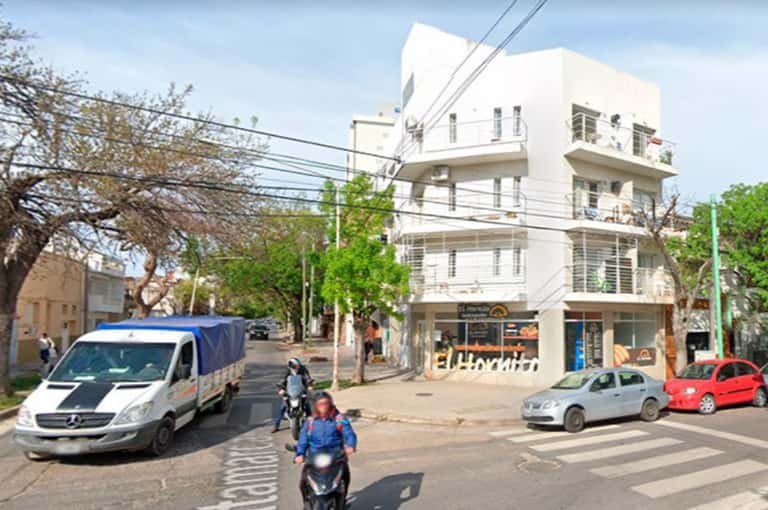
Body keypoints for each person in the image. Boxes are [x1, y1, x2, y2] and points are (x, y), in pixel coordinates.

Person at [294, 391, 357, 502]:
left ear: (330, 403)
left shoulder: (339, 419)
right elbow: (303, 440)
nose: (324, 406)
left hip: (335, 455)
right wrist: (300, 454)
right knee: (302, 481)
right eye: (320, 404)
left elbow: (349, 434)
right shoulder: (310, 422)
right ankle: (307, 501)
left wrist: (350, 445)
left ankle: (343, 498)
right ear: (315, 406)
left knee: (345, 475)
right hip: (314, 456)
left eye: (326, 403)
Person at [272, 357, 313, 433]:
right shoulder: (287, 371)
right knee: (282, 408)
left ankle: (311, 425)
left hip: (301, 390)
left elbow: (307, 378)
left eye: (297, 365)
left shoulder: (303, 369)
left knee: (307, 405)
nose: (297, 367)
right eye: (295, 366)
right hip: (290, 392)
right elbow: (283, 380)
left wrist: (309, 385)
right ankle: (276, 426)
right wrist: (281, 389)